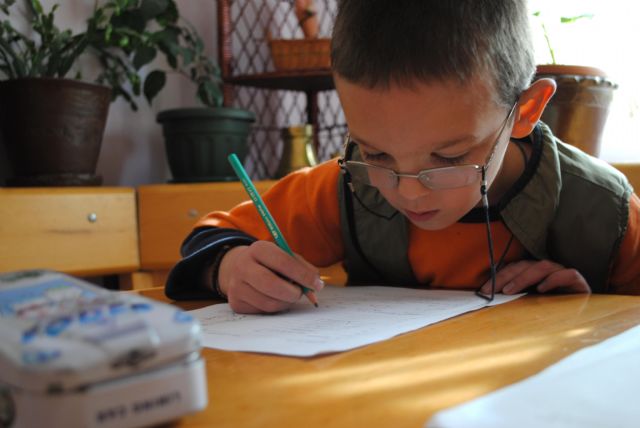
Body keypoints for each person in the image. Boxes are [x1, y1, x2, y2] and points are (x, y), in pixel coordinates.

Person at [166, 0, 640, 313]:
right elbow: (210, 238)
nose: (408, 191)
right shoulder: (346, 188)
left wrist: (594, 307)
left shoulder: (602, 211)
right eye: (376, 152)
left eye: (450, 156)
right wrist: (229, 268)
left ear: (526, 111)